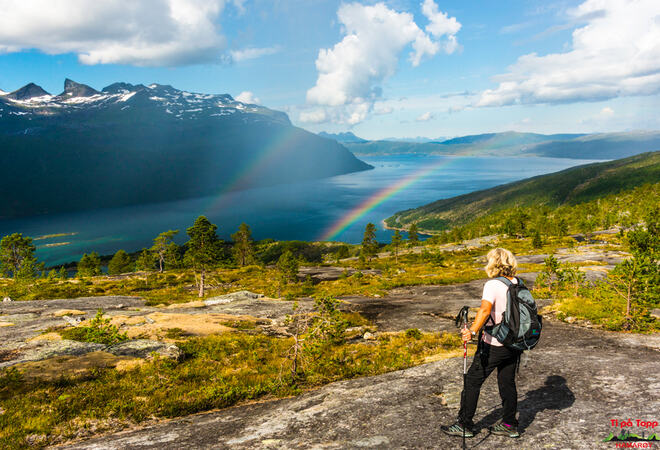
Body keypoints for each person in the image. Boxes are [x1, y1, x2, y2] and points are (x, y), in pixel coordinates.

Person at [441, 247, 523, 439]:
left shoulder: (493, 284)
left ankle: (465, 425)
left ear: (493, 263)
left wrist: (471, 331)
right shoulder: (518, 282)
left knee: (472, 382)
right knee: (507, 383)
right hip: (514, 342)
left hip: (494, 343)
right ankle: (509, 424)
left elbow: (486, 311)